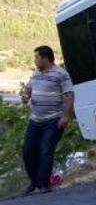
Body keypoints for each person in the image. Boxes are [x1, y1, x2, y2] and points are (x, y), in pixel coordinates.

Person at [21, 46, 74, 195]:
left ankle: (44, 184)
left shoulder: (61, 74)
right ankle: (34, 181)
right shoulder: (36, 72)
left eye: (37, 57)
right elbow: (29, 88)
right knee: (28, 151)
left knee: (46, 151)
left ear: (45, 58)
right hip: (35, 119)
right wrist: (26, 96)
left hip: (53, 119)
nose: (35, 60)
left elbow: (69, 95)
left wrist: (65, 116)